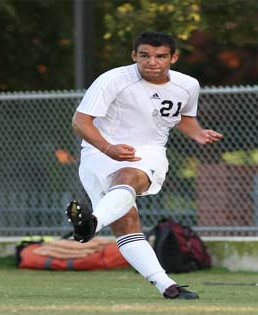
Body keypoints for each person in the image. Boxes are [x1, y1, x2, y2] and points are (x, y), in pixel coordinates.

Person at [66, 31, 223, 300]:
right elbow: (80, 121)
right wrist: (108, 148)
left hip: (149, 152)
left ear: (173, 57)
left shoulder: (188, 85)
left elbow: (181, 116)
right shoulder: (113, 80)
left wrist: (196, 132)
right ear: (134, 56)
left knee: (129, 175)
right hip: (99, 150)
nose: (152, 62)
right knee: (126, 221)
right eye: (145, 55)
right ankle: (167, 286)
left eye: (161, 56)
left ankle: (91, 223)